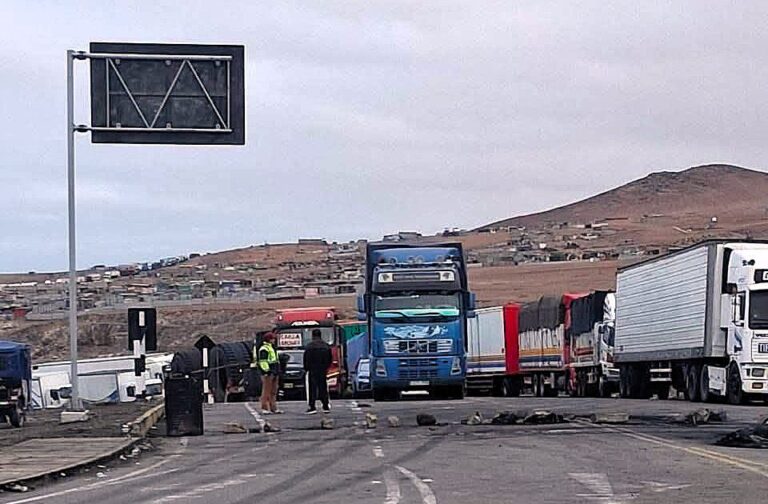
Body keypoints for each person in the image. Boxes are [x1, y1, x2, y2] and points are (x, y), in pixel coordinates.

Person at [303, 328, 333, 414]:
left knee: (312, 389)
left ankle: (312, 406)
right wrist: (326, 367)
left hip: (312, 370)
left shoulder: (309, 346)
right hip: (322, 369)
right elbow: (329, 358)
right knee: (323, 387)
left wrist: (307, 368)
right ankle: (325, 406)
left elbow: (306, 359)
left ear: (313, 335)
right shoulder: (326, 346)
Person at [254, 333, 282, 414]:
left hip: (274, 371)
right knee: (266, 391)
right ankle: (265, 408)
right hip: (268, 372)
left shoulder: (272, 348)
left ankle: (273, 407)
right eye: (273, 339)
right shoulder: (264, 348)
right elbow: (263, 361)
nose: (274, 340)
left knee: (273, 391)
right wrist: (266, 371)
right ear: (269, 339)